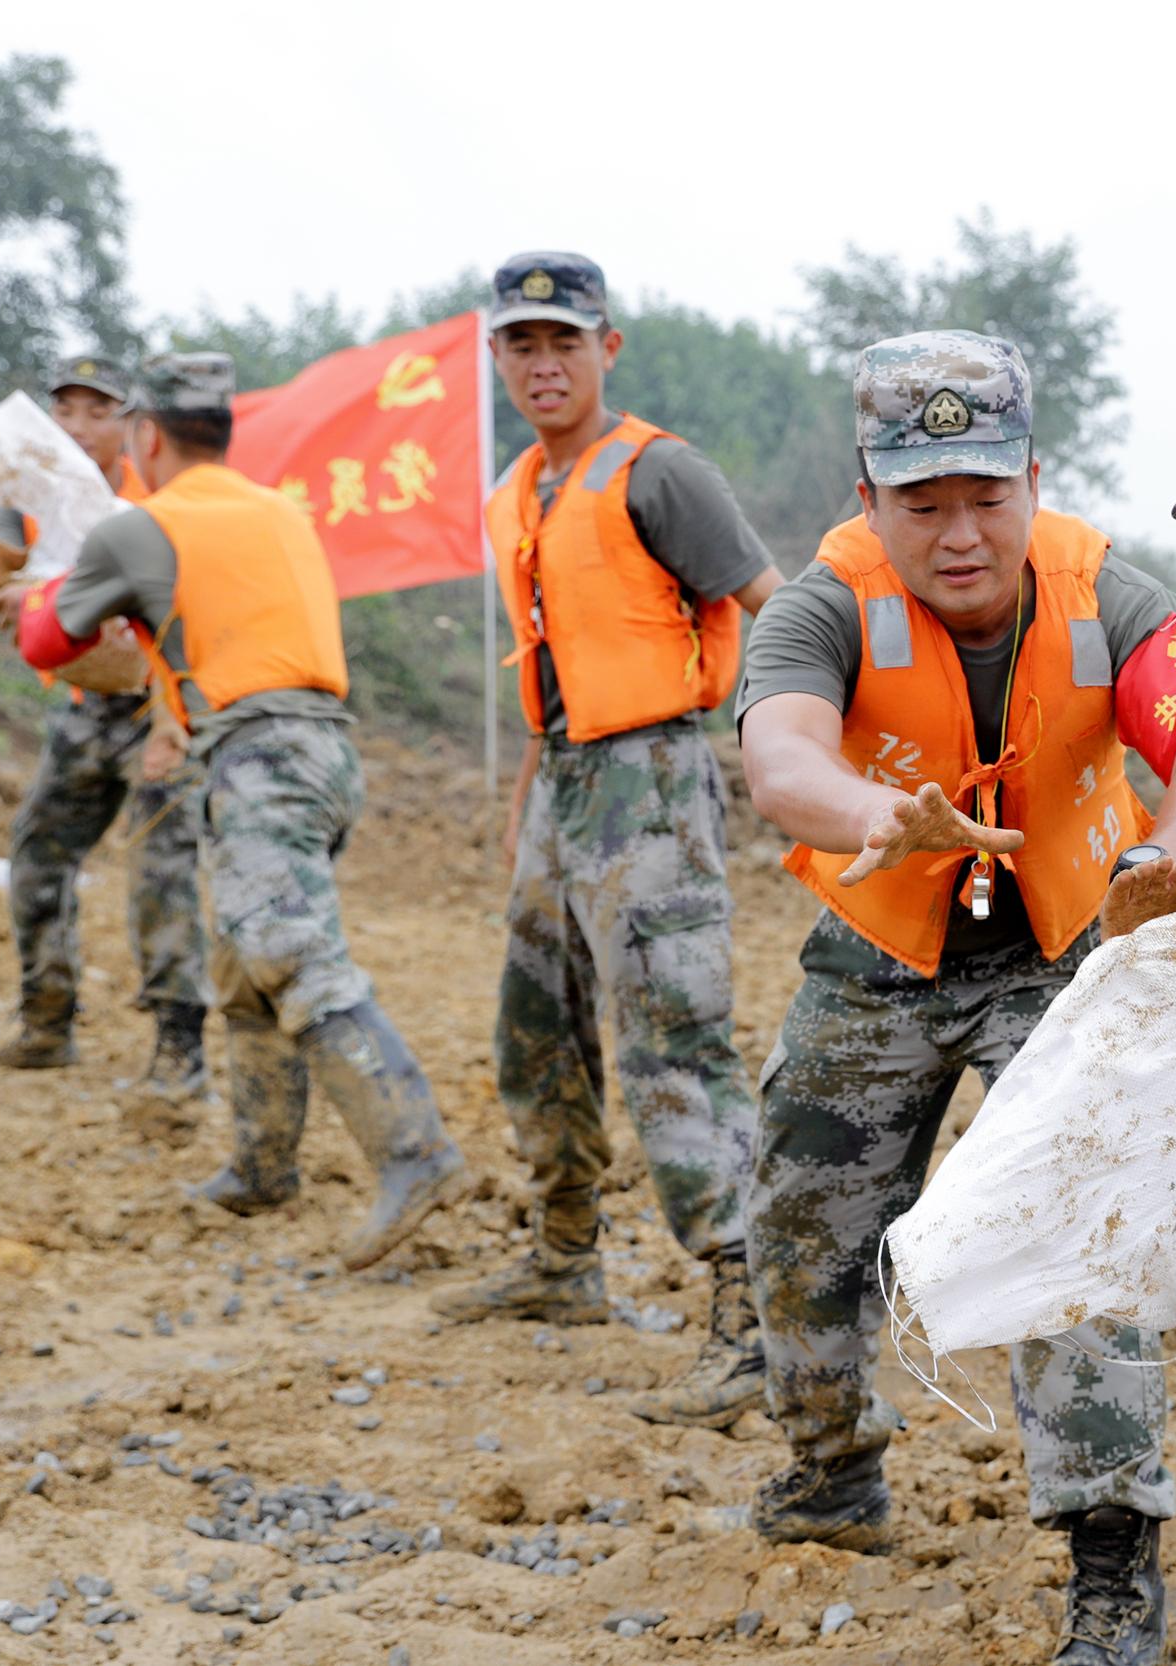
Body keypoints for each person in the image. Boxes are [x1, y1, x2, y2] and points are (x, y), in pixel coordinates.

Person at [737, 330, 1176, 1665]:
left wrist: (1173, 856)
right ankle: (832, 1472)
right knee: (800, 1222)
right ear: (870, 499)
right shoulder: (824, 604)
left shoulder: (1105, 596)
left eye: (987, 496)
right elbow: (781, 757)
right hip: (882, 955)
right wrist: (881, 814)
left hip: (1062, 952)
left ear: (1034, 477)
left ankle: (1111, 1565)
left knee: (1078, 1238)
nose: (960, 534)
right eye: (923, 504)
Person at [10, 352, 466, 1272]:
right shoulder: (281, 509)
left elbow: (47, 639)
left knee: (289, 957)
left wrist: (35, 585)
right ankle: (262, 1166)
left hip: (257, 757)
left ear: (145, 435)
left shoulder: (144, 525)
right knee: (244, 969)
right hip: (322, 750)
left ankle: (415, 1151)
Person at [433, 253, 785, 1434]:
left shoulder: (659, 472)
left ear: (605, 349)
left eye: (562, 343)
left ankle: (754, 1307)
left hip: (651, 780)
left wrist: (791, 756)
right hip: (562, 783)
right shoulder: (517, 491)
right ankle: (565, 1253)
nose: (542, 364)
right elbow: (549, 663)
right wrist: (526, 810)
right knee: (533, 1027)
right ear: (497, 358)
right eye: (520, 345)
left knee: (671, 1041)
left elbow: (775, 607)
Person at [0, 355, 208, 1092]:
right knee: (38, 853)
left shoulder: (155, 499)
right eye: (65, 410)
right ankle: (47, 1021)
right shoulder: (25, 495)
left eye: (97, 411)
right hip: (82, 707)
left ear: (131, 427)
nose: (77, 427)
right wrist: (6, 588)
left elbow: (192, 603)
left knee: (161, 872)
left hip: (157, 710)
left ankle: (179, 1047)